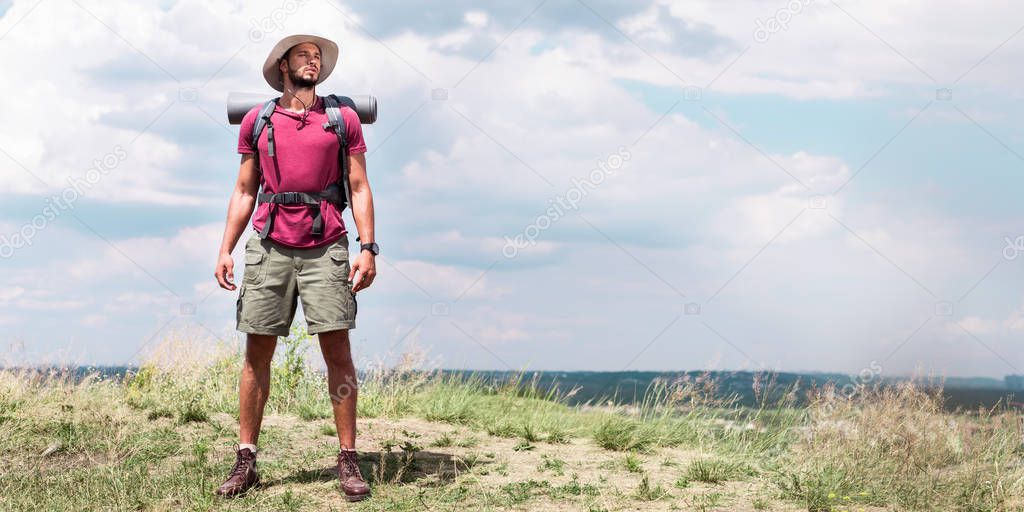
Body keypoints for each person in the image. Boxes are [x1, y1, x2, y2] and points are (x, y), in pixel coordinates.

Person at [212, 34, 378, 502]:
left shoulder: (342, 118)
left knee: (337, 348)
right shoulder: (257, 120)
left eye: (318, 56)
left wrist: (368, 247)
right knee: (257, 351)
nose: (313, 60)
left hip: (327, 243)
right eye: (303, 54)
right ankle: (246, 458)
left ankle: (348, 458)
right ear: (283, 65)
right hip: (268, 245)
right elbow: (245, 190)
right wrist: (225, 248)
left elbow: (359, 186)